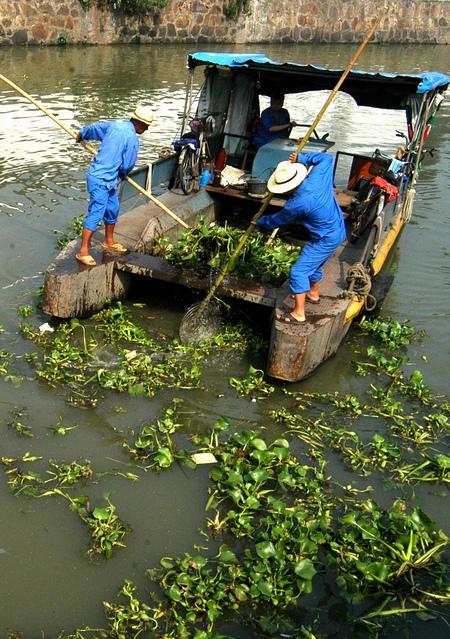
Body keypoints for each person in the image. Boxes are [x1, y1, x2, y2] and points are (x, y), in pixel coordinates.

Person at [256, 151, 346, 323]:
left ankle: (299, 313)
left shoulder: (296, 205)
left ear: (287, 188)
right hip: (338, 229)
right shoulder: (317, 178)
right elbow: (326, 158)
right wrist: (301, 158)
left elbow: (277, 221)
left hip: (325, 238)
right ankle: (313, 292)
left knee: (299, 271)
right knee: (314, 261)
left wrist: (260, 221)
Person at [75, 105, 153, 266]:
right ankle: (82, 251)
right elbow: (127, 165)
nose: (145, 130)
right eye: (145, 127)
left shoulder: (115, 125)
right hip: (101, 179)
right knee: (96, 213)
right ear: (139, 124)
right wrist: (123, 173)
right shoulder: (132, 139)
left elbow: (95, 129)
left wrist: (82, 134)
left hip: (108, 180)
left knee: (112, 208)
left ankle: (109, 241)